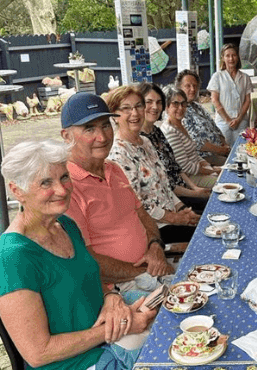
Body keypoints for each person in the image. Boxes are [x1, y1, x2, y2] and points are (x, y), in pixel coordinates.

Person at [0, 139, 157, 370]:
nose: (61, 189)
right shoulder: (13, 258)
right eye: (45, 183)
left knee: (174, 331)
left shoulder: (65, 224)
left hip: (104, 343)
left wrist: (112, 298)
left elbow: (89, 280)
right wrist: (116, 329)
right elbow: (38, 352)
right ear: (16, 190)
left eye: (64, 177)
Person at [59, 93, 177, 284]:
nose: (102, 137)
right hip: (120, 287)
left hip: (152, 269)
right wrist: (146, 273)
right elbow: (87, 262)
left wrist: (155, 246)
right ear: (67, 136)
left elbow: (143, 216)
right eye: (89, 129)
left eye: (106, 125)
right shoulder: (66, 188)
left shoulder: (113, 169)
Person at [102, 86, 199, 242]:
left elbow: (164, 186)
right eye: (126, 108)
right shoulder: (118, 154)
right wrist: (175, 218)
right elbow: (137, 204)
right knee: (211, 235)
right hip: (154, 229)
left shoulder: (145, 141)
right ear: (114, 116)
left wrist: (182, 208)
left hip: (173, 215)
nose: (134, 113)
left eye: (138, 106)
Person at [137, 83, 211, 207]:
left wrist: (194, 188)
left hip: (182, 189)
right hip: (169, 199)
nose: (155, 107)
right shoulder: (140, 139)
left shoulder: (157, 131)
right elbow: (164, 183)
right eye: (149, 102)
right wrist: (195, 193)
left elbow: (175, 166)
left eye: (158, 102)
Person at [156, 84, 218, 189]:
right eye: (175, 104)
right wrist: (212, 170)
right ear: (166, 107)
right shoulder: (170, 131)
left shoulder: (182, 124)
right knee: (223, 183)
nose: (180, 108)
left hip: (198, 171)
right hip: (189, 179)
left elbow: (194, 154)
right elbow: (185, 166)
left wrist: (206, 164)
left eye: (183, 104)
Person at [174, 70, 228, 160]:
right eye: (188, 86)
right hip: (204, 157)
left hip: (220, 151)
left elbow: (215, 128)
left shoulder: (197, 106)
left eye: (195, 86)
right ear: (179, 88)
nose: (193, 89)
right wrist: (222, 150)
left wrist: (225, 146)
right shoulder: (179, 111)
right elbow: (198, 143)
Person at [206, 44, 252, 145]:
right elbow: (215, 100)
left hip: (241, 121)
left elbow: (247, 100)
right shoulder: (217, 77)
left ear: (238, 57)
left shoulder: (245, 78)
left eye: (234, 55)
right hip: (223, 121)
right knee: (225, 150)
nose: (231, 59)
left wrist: (238, 119)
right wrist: (227, 120)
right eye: (227, 56)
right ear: (223, 58)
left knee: (243, 148)